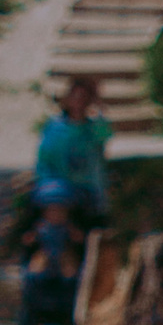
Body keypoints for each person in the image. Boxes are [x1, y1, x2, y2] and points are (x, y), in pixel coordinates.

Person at [34, 73, 113, 233]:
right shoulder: (55, 128)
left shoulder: (92, 129)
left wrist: (99, 108)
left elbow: (105, 135)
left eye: (84, 97)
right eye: (75, 96)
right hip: (56, 184)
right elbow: (44, 159)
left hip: (86, 187)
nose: (79, 101)